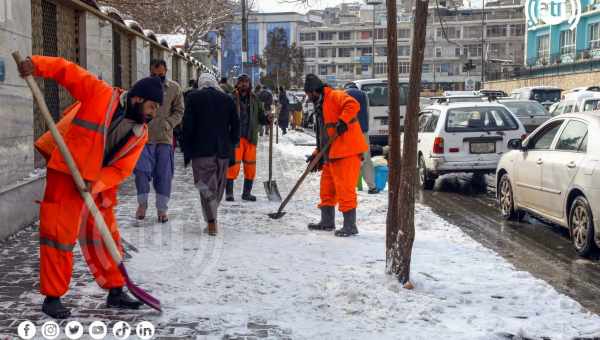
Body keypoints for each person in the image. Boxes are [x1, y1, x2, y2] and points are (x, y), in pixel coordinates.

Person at [18, 55, 163, 319]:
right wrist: (35, 65)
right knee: (58, 236)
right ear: (137, 99)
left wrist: (94, 182)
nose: (153, 114)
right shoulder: (100, 94)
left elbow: (121, 170)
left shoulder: (140, 133)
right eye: (152, 107)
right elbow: (67, 71)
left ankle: (116, 290)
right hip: (66, 173)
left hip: (98, 184)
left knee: (105, 236)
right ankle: (53, 296)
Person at [304, 74, 368, 237]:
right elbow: (324, 135)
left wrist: (343, 121)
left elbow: (353, 104)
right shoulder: (320, 105)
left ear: (314, 91)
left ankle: (350, 226)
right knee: (326, 189)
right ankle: (327, 222)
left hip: (347, 151)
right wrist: (317, 154)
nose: (308, 98)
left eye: (308, 94)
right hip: (330, 154)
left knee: (345, 190)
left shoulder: (334, 96)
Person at [183, 73, 240, 235]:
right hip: (222, 152)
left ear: (200, 83)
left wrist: (187, 149)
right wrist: (232, 144)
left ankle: (211, 221)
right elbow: (236, 125)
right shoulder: (227, 99)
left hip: (201, 152)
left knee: (205, 187)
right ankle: (212, 217)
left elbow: (187, 126)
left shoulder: (193, 98)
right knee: (218, 188)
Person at [134, 59, 184, 223]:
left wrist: (169, 123)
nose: (157, 78)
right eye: (153, 75)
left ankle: (162, 210)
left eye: (160, 75)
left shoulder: (174, 88)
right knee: (141, 172)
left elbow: (179, 110)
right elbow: (131, 105)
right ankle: (142, 205)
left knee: (164, 175)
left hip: (164, 138)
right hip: (144, 138)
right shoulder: (141, 86)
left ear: (166, 71)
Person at [226, 74, 271, 202]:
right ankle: (229, 193)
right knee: (232, 166)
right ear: (237, 84)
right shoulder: (231, 98)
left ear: (249, 84)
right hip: (236, 137)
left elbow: (261, 117)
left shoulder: (255, 99)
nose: (244, 85)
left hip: (250, 137)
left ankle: (247, 193)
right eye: (241, 82)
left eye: (246, 82)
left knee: (250, 167)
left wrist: (267, 119)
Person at [345, 84, 378, 194]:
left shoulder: (343, 94)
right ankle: (372, 186)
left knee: (349, 158)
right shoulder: (363, 95)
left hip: (347, 131)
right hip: (362, 131)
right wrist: (365, 128)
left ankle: (350, 185)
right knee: (366, 158)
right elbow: (367, 113)